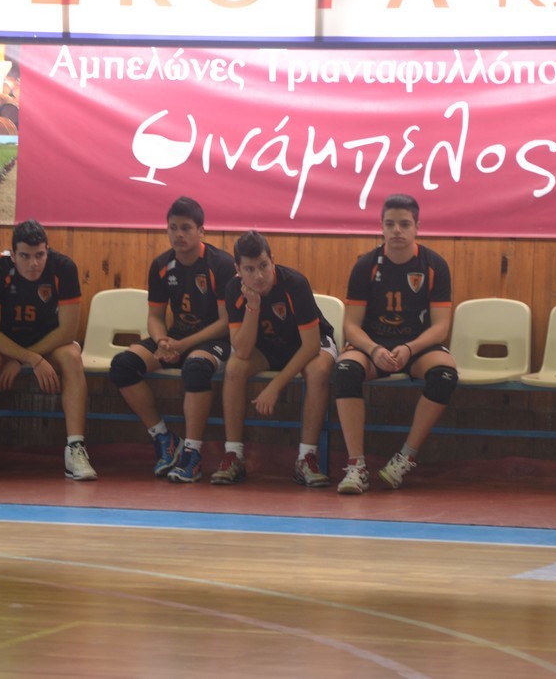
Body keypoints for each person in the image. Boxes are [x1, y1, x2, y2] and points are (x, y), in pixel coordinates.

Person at [0, 220, 96, 482]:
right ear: (12, 254)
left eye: (40, 255)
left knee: (72, 357)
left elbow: (67, 332)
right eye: (25, 256)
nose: (34, 263)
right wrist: (28, 358)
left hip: (49, 342)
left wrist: (22, 360)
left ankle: (75, 448)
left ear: (47, 250)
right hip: (5, 343)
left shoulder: (63, 268)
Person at [333, 193, 458, 495]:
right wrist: (374, 349)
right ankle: (356, 466)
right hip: (374, 345)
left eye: (404, 224)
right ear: (381, 227)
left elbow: (441, 327)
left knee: (445, 375)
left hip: (416, 346)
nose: (397, 231)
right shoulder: (366, 265)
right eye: (390, 224)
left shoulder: (434, 265)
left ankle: (405, 458)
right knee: (345, 371)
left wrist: (410, 348)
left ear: (417, 227)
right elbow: (351, 325)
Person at [109, 197, 236, 482]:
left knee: (195, 368)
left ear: (201, 231)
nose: (178, 234)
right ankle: (164, 437)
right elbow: (155, 316)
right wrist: (162, 341)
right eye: (173, 228)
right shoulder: (161, 265)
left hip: (215, 339)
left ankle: (193, 454)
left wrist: (183, 346)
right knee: (122, 366)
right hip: (177, 337)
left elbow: (225, 322)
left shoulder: (221, 264)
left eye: (186, 228)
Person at [216, 230, 337, 487]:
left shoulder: (295, 283)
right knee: (234, 368)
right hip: (268, 348)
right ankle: (234, 455)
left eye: (263, 266)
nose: (258, 276)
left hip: (308, 345)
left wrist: (275, 386)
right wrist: (253, 306)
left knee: (318, 371)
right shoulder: (233, 289)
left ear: (272, 260)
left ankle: (306, 458)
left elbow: (310, 346)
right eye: (249, 269)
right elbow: (243, 351)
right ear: (238, 269)